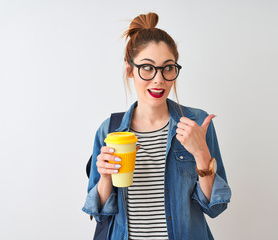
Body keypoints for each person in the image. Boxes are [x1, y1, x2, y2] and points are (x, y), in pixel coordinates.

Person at [83, 12, 231, 240]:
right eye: (148, 67)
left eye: (168, 68)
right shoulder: (110, 131)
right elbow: (99, 213)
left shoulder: (197, 125)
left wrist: (201, 154)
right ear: (130, 70)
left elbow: (215, 207)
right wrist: (104, 177)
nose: (159, 79)